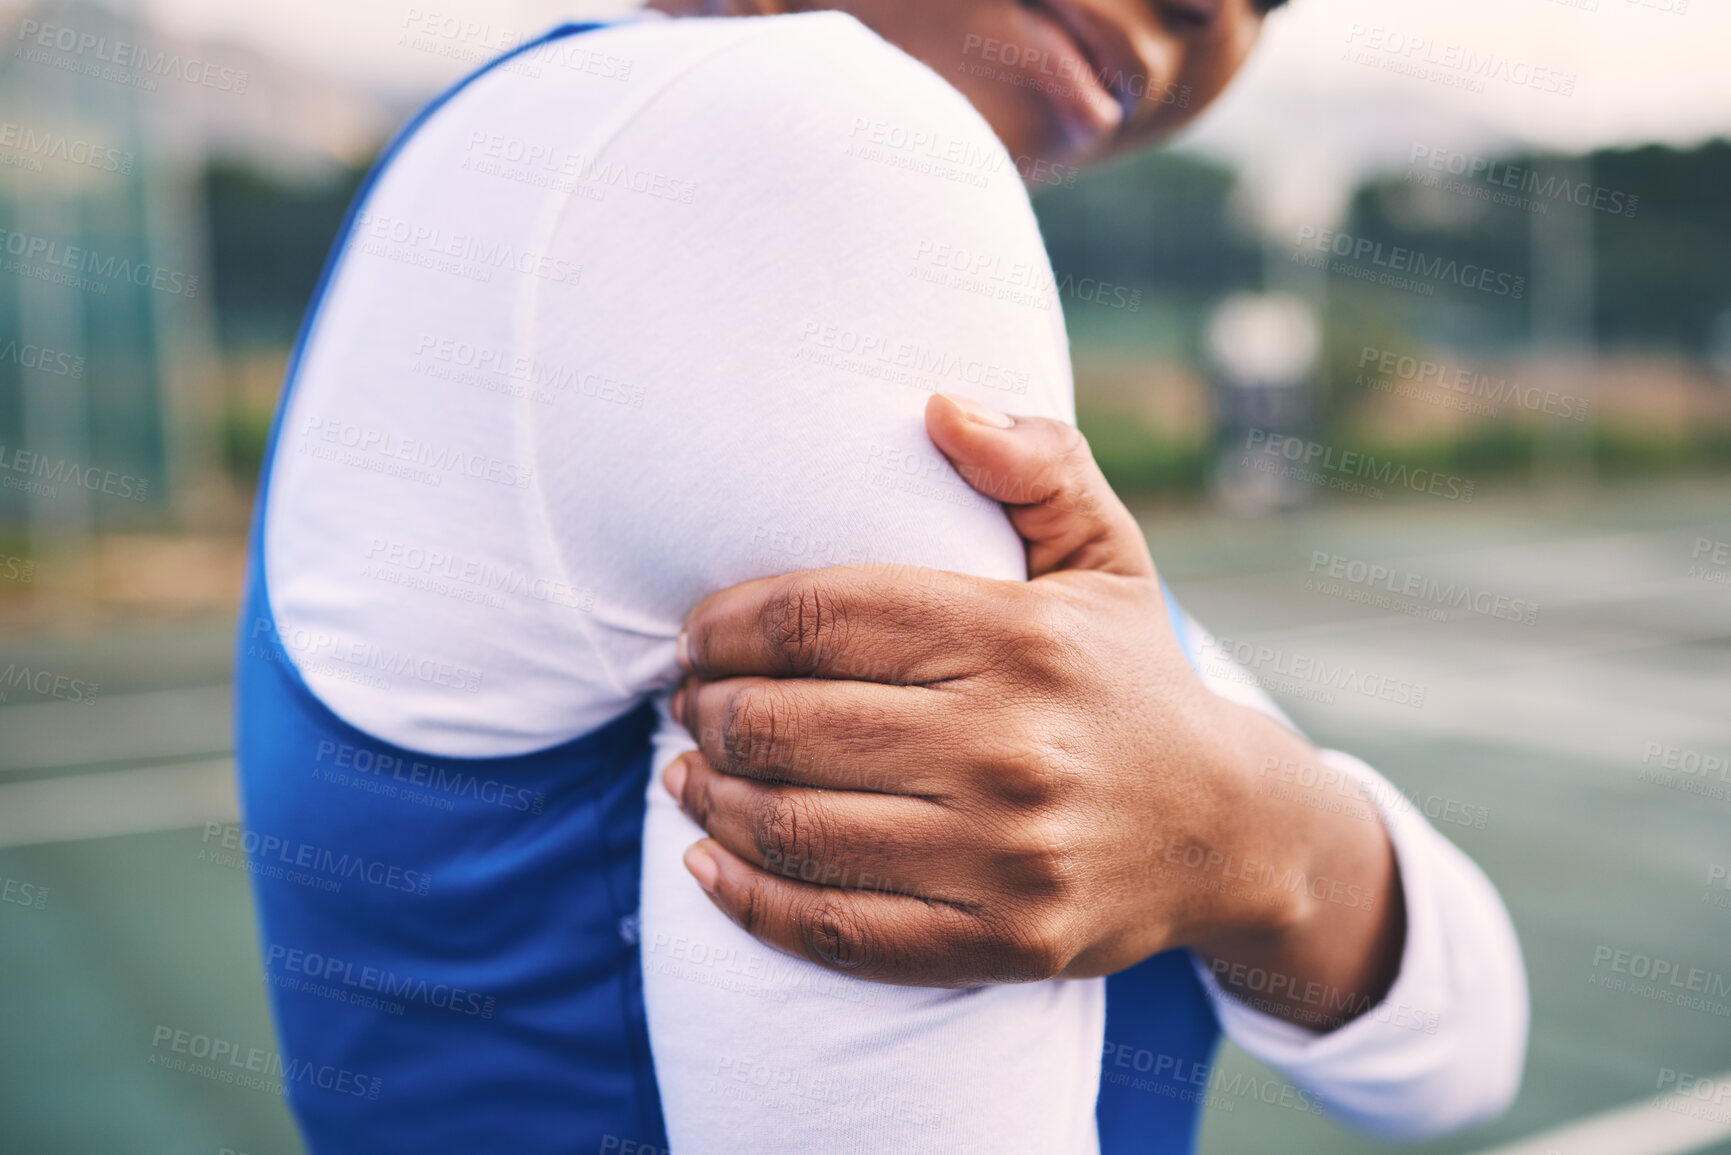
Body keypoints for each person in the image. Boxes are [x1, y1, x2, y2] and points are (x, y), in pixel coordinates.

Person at [235, 2, 1527, 1152]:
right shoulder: (794, 130)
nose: (1214, 17)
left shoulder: (598, 147)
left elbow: (1465, 1053)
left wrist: (1258, 833)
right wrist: (1270, 851)